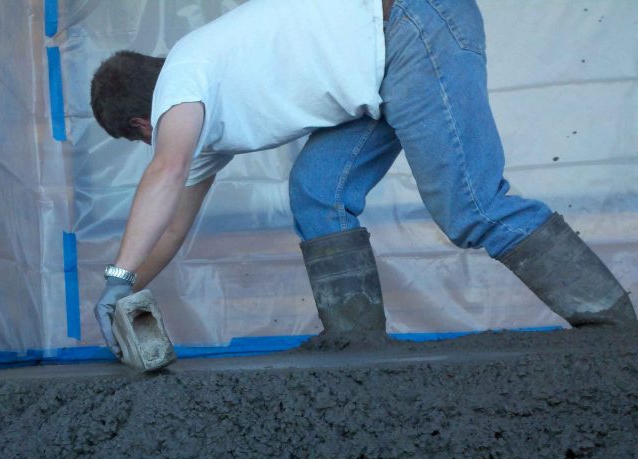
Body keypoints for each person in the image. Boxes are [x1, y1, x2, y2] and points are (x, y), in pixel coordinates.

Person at [90, 0, 636, 357]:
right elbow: (167, 229)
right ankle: (359, 350)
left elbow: (166, 169)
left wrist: (115, 272)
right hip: (376, 71)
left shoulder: (182, 80)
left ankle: (616, 335)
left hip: (413, 24)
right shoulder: (202, 116)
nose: (156, 141)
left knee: (472, 206)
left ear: (144, 122)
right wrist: (125, 292)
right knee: (316, 193)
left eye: (145, 138)